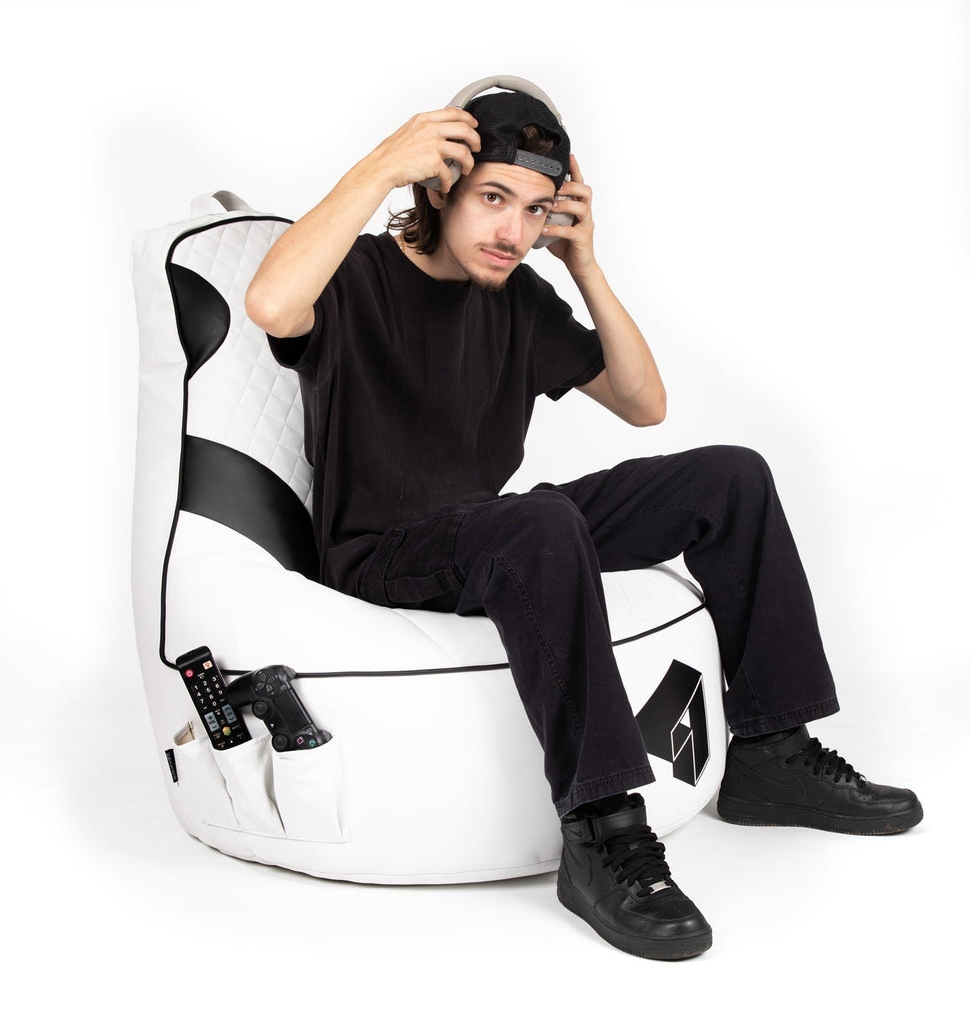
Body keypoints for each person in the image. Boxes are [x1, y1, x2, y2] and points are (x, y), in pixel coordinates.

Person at [245, 84, 923, 961]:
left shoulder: (519, 298)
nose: (513, 232)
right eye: (494, 199)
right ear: (441, 185)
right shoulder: (360, 278)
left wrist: (585, 266)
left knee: (729, 479)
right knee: (540, 527)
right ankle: (602, 830)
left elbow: (645, 403)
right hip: (384, 551)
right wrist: (383, 164)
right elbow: (269, 305)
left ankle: (770, 752)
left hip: (497, 531)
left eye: (533, 211)